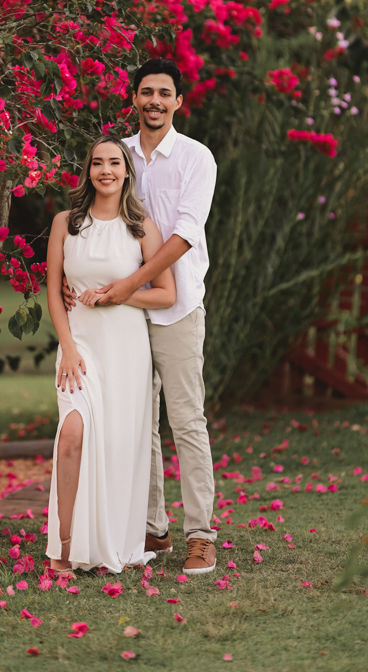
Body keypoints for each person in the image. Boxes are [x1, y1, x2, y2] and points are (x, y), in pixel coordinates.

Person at [66, 58, 218, 575]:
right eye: (146, 92)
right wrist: (74, 279)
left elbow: (185, 233)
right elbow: (94, 222)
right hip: (120, 318)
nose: (155, 100)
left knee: (186, 420)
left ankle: (201, 534)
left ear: (178, 102)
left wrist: (131, 284)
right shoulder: (119, 154)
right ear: (133, 98)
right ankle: (152, 526)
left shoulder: (196, 158)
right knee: (138, 423)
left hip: (176, 307)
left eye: (164, 93)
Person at [45, 134, 176, 573]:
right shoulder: (66, 223)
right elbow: (54, 291)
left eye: (114, 163)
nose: (106, 170)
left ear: (126, 172)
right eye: (98, 162)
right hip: (79, 347)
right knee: (72, 434)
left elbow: (166, 294)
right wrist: (67, 349)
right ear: (88, 171)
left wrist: (121, 294)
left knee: (118, 447)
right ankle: (64, 546)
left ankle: (109, 546)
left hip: (126, 351)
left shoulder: (142, 229)